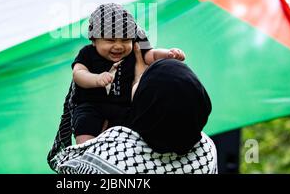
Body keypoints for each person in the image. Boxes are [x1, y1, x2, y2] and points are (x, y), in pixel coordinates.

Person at [49, 44, 217, 174]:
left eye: (144, 80)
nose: (139, 79)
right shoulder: (207, 151)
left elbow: (65, 163)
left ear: (148, 107)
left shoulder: (109, 155)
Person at [70, 3, 185, 144]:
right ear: (94, 40)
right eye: (110, 40)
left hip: (124, 106)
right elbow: (78, 73)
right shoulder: (87, 53)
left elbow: (151, 55)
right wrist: (96, 79)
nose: (118, 46)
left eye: (125, 40)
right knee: (85, 124)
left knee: (137, 125)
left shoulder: (135, 50)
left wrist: (168, 54)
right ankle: (86, 151)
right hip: (93, 105)